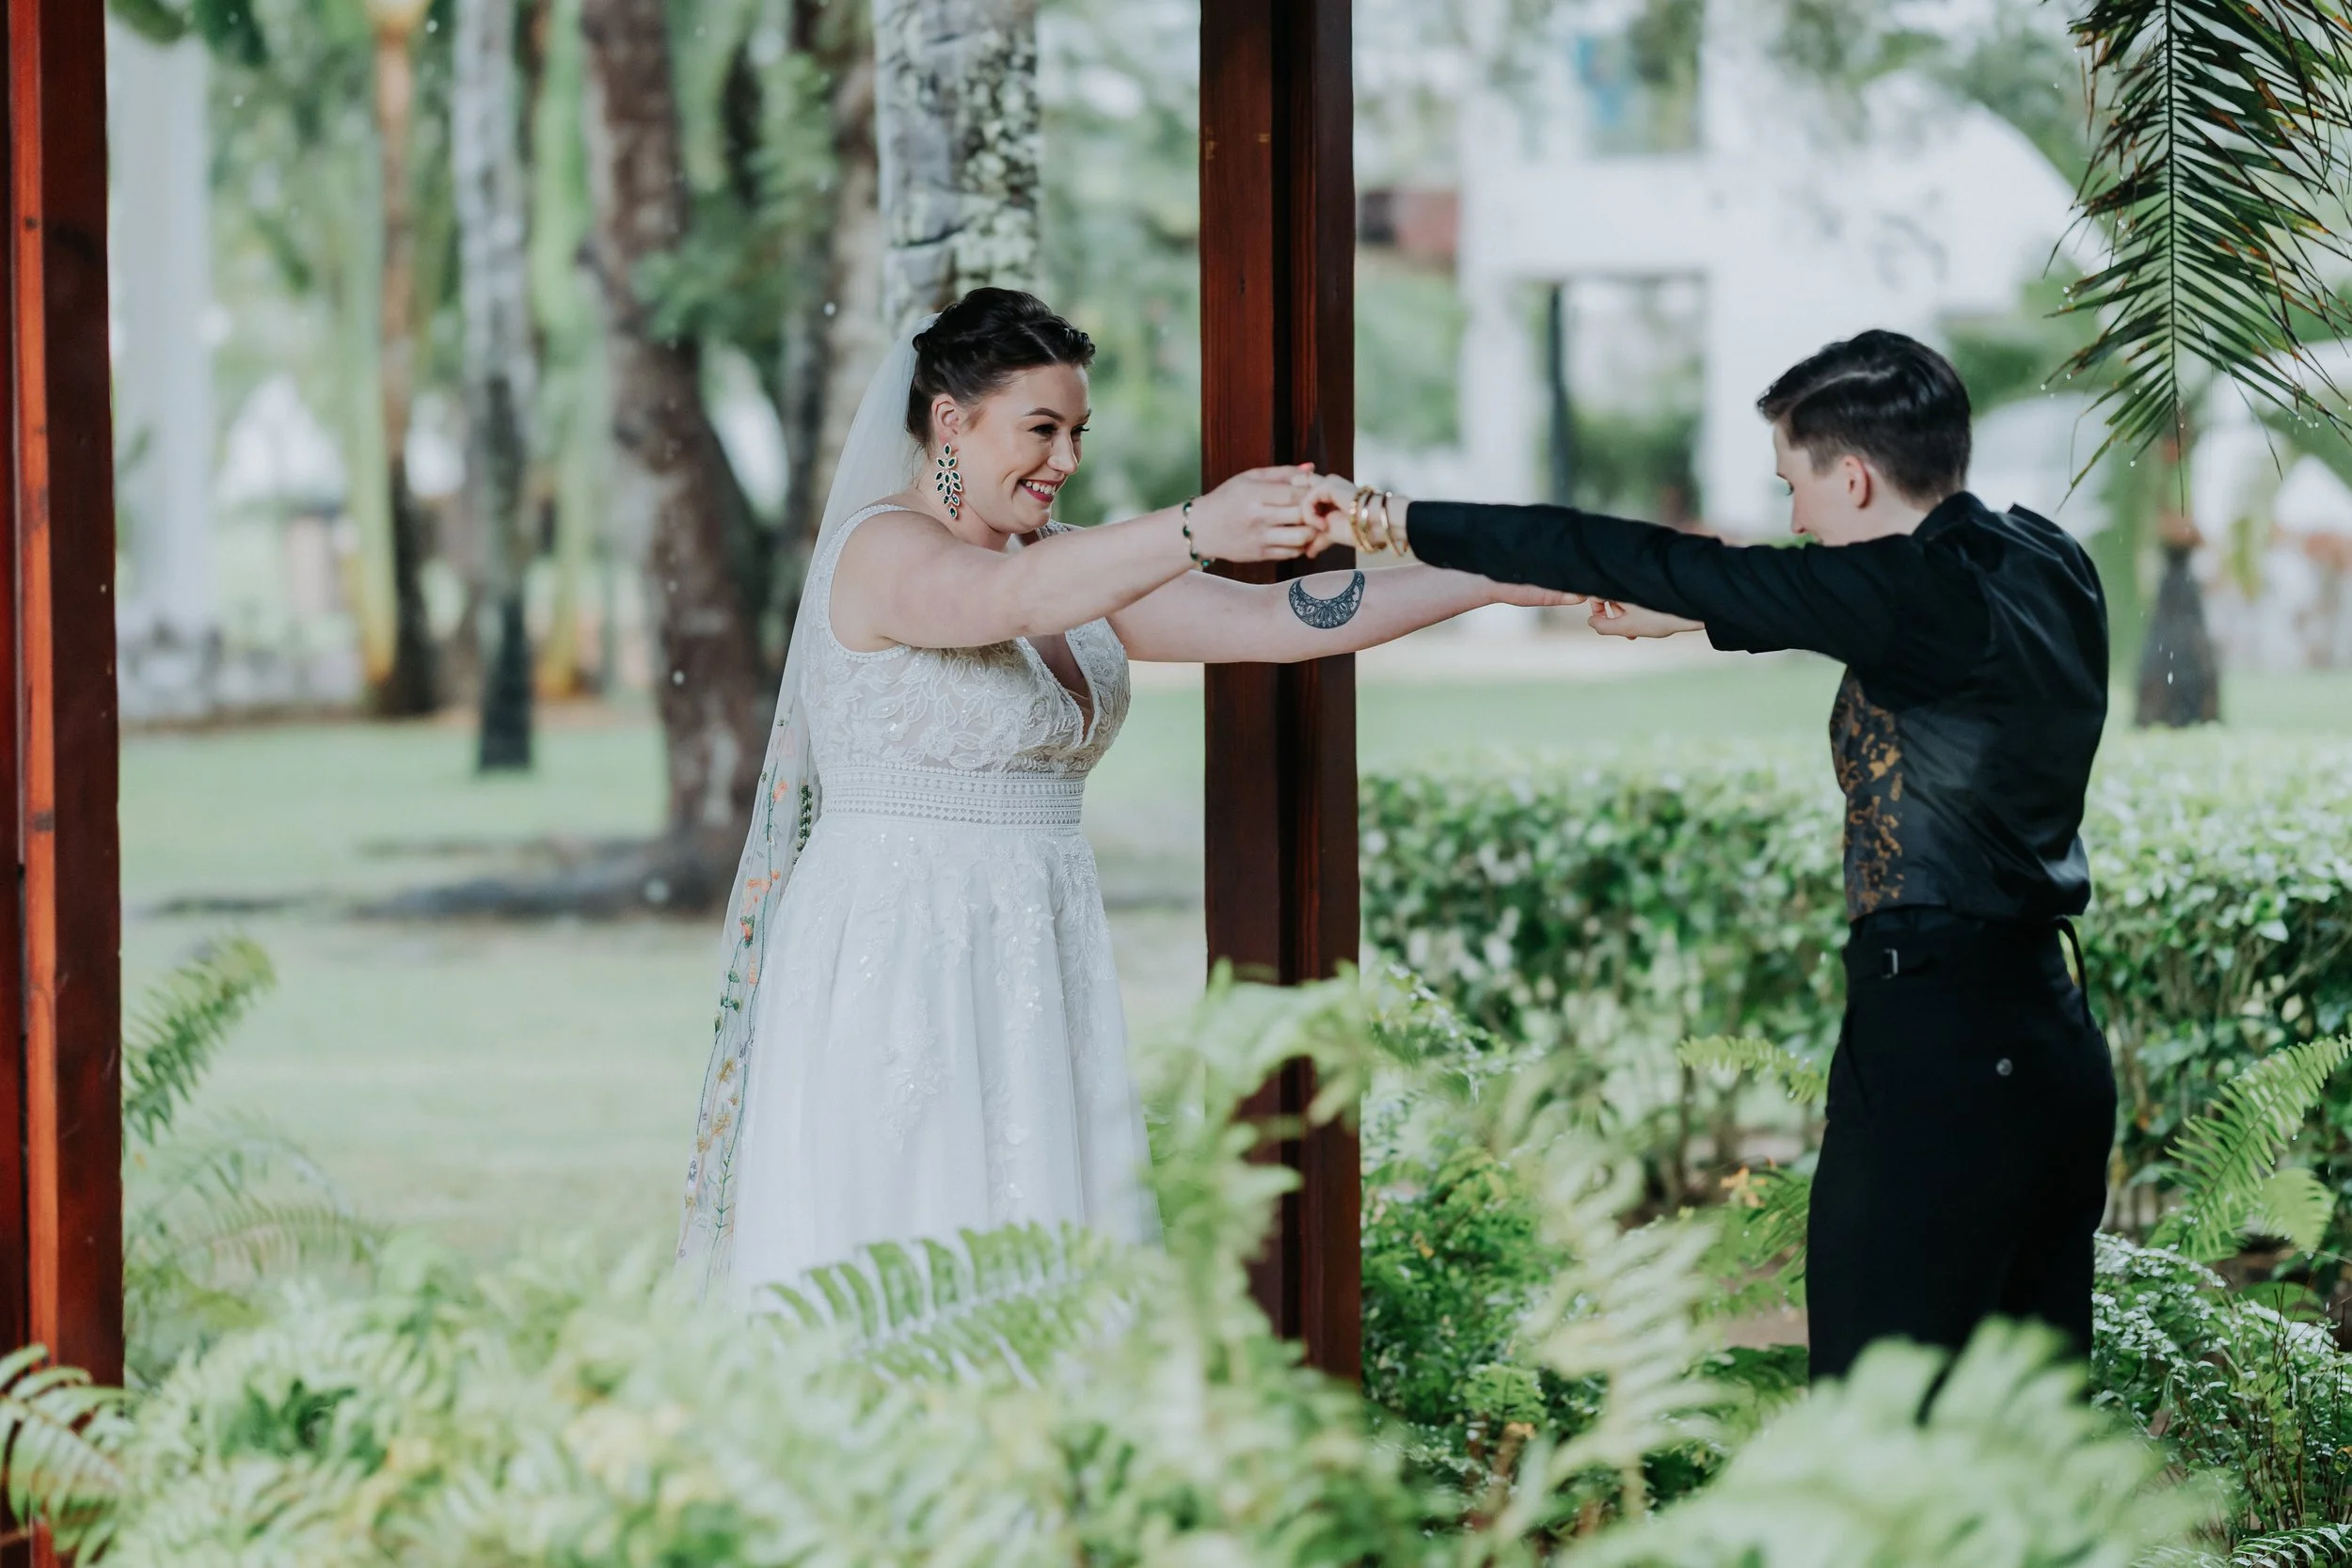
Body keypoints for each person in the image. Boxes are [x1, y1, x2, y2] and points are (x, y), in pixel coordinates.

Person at [677, 288, 1572, 1300]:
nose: (1065, 458)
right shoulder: (885, 551)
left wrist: (1497, 575)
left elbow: (1280, 617)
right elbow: (1004, 603)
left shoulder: (1060, 560)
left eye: (1078, 432)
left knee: (1046, 1254)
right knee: (916, 1250)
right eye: (1042, 429)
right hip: (906, 949)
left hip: (1034, 944)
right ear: (950, 421)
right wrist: (1200, 522)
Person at [1306, 330, 2115, 1383]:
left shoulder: (1909, 592)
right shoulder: (2046, 559)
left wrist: (1387, 518)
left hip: (1940, 1052)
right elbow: (1823, 598)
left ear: (1854, 477)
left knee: (1875, 1413)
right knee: (2029, 1418)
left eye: (1794, 486)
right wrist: (1697, 609)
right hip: (2051, 1042)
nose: (1795, 519)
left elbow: (1636, 552)